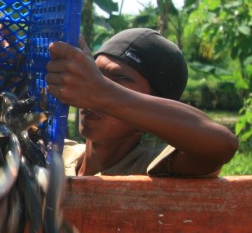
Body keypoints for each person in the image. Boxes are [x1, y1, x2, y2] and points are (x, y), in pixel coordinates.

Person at [45, 28, 238, 177]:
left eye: (119, 78)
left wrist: (102, 92)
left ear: (153, 103)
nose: (91, 87)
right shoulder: (60, 152)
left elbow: (222, 145)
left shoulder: (153, 166)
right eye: (95, 73)